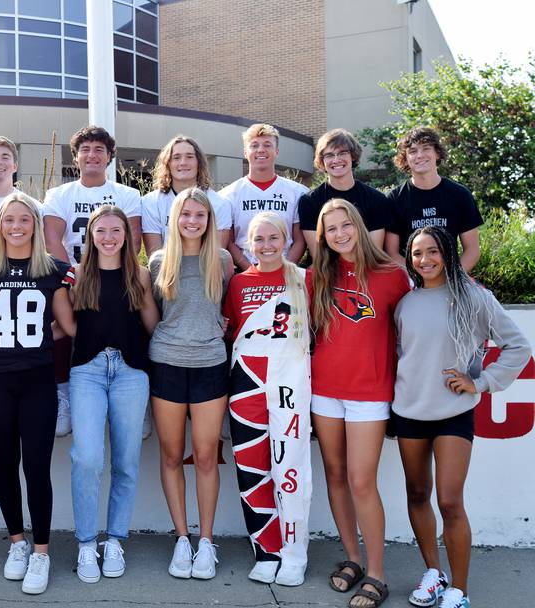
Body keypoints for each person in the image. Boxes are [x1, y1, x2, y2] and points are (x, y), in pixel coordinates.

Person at [393, 226, 530, 608]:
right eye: (417, 253)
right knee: (417, 493)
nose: (425, 260)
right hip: (409, 413)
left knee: (450, 501)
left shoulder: (474, 298)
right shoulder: (406, 303)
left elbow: (518, 345)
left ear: (448, 253)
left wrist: (481, 382)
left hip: (453, 414)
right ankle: (433, 574)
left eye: (432, 251)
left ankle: (459, 590)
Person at [0, 192, 75, 595]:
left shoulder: (54, 271)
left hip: (37, 381)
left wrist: (41, 334)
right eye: (8, 219)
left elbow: (68, 326)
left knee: (36, 468)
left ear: (35, 225)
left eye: (24, 219)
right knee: (4, 464)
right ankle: (17, 543)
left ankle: (42, 552)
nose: (16, 226)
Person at [308, 199, 410, 608]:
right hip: (325, 390)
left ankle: (377, 572)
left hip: (370, 393)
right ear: (323, 237)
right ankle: (351, 557)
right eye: (330, 229)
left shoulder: (392, 275)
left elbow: (416, 325)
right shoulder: (318, 275)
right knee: (334, 474)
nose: (339, 233)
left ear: (358, 225)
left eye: (344, 224)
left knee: (361, 481)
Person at [68, 205, 159, 583]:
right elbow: (67, 326)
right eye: (100, 231)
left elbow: (153, 324)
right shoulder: (77, 276)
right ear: (90, 236)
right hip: (87, 372)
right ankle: (87, 542)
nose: (108, 237)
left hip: (130, 373)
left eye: (115, 231)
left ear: (127, 236)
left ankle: (115, 538)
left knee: (125, 462)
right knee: (87, 458)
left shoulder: (137, 275)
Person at [148, 187, 234, 580]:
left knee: (203, 456)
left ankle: (206, 541)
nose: (192, 221)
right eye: (186, 215)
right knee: (170, 456)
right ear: (175, 219)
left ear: (209, 220)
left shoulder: (222, 260)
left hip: (210, 367)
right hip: (166, 364)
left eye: (200, 215)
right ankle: (182, 538)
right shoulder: (159, 261)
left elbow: (228, 308)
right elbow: (152, 315)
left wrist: (219, 329)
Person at [223, 212, 312, 586]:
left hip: (290, 380)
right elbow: (231, 333)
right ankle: (265, 549)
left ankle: (294, 552)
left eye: (273, 237)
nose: (267, 246)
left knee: (291, 468)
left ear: (286, 240)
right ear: (248, 245)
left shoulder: (304, 278)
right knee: (252, 468)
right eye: (259, 239)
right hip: (246, 383)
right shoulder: (239, 282)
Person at [43, 125, 142, 436]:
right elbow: (52, 239)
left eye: (99, 149)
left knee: (131, 311)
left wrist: (105, 273)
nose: (92, 155)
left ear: (109, 156)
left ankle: (138, 395)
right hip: (73, 274)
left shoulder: (127, 194)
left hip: (114, 272)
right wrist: (76, 276)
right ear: (76, 156)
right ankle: (62, 391)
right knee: (59, 318)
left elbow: (134, 240)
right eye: (85, 149)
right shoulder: (59, 194)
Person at [384, 127, 482, 272]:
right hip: (411, 282)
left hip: (453, 279)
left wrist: (453, 280)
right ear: (405, 158)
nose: (419, 155)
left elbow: (472, 250)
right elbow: (392, 253)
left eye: (426, 148)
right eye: (412, 151)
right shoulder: (395, 198)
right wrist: (421, 280)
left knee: (485, 295)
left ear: (437, 153)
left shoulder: (460, 194)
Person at [220, 123, 308, 270]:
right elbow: (229, 242)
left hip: (287, 271)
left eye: (267, 145)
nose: (261, 150)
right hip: (246, 271)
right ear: (245, 152)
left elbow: (300, 240)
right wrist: (251, 270)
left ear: (277, 151)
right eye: (254, 145)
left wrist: (286, 269)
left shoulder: (298, 192)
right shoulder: (228, 195)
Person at [299, 128, 387, 257]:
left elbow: (374, 252)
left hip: (366, 270)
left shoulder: (376, 199)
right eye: (329, 155)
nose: (336, 160)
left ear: (353, 156)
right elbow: (318, 255)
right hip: (328, 272)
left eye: (342, 153)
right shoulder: (309, 202)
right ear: (322, 161)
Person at [142, 135, 230, 256]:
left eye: (189, 157)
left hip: (207, 271)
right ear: (168, 164)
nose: (183, 163)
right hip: (166, 272)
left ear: (199, 163)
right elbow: (155, 256)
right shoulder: (151, 202)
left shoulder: (220, 203)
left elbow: (217, 255)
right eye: (176, 158)